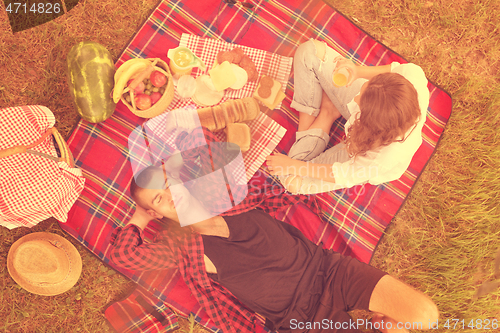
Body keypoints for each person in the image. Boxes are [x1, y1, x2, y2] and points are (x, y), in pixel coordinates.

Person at [110, 163, 438, 333]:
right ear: (156, 212)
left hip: (330, 270)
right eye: (159, 198)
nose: (171, 194)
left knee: (426, 315)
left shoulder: (226, 194)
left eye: (169, 183)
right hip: (300, 319)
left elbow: (271, 182)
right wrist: (140, 217)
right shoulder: (180, 247)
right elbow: (124, 255)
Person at [266, 39, 430, 194]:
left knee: (290, 179)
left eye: (360, 100)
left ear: (367, 123)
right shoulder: (412, 79)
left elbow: (342, 174)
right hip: (376, 109)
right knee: (309, 51)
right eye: (365, 88)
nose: (355, 96)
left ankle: (327, 114)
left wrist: (293, 165)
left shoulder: (379, 159)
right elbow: (396, 70)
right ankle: (325, 115)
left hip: (360, 151)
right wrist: (358, 72)